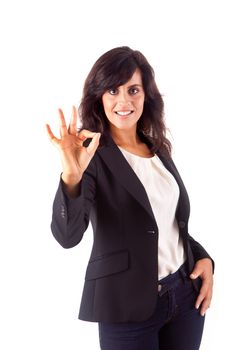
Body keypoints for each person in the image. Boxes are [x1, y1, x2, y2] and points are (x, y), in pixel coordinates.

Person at [46, 46, 214, 350]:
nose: (124, 101)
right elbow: (68, 236)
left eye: (133, 90)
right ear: (99, 97)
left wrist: (204, 259)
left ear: (145, 96)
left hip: (185, 297)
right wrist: (72, 177)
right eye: (113, 90)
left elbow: (169, 222)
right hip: (125, 307)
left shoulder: (157, 149)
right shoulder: (91, 155)